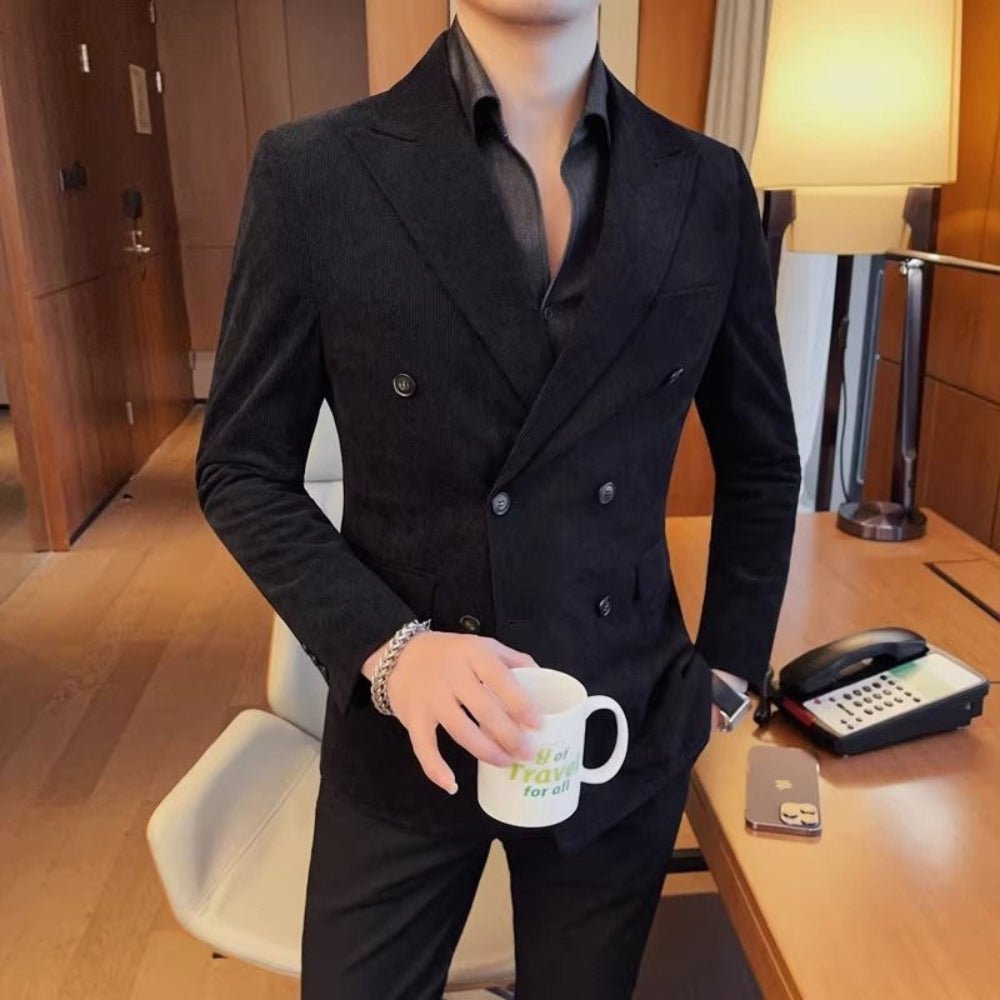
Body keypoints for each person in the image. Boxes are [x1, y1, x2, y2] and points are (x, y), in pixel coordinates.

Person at [194, 2, 802, 997]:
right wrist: (391, 652)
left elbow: (762, 458)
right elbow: (240, 466)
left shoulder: (707, 184)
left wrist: (728, 672)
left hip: (613, 722)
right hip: (405, 735)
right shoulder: (315, 173)